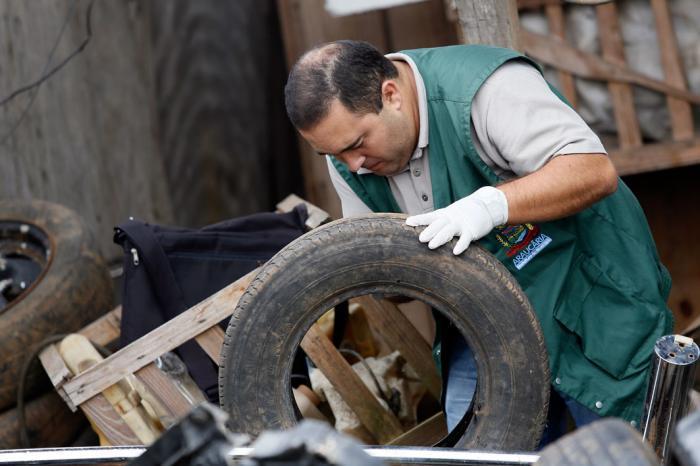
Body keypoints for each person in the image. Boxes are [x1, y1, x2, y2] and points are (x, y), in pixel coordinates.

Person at [284, 40, 673, 442]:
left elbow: (592, 171)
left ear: (391, 94)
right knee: (479, 451)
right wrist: (385, 274)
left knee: (630, 448)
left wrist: (490, 206)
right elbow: (392, 287)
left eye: (355, 144)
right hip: (483, 325)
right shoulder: (349, 157)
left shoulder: (486, 90)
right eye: (331, 154)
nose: (353, 165)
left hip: (591, 304)